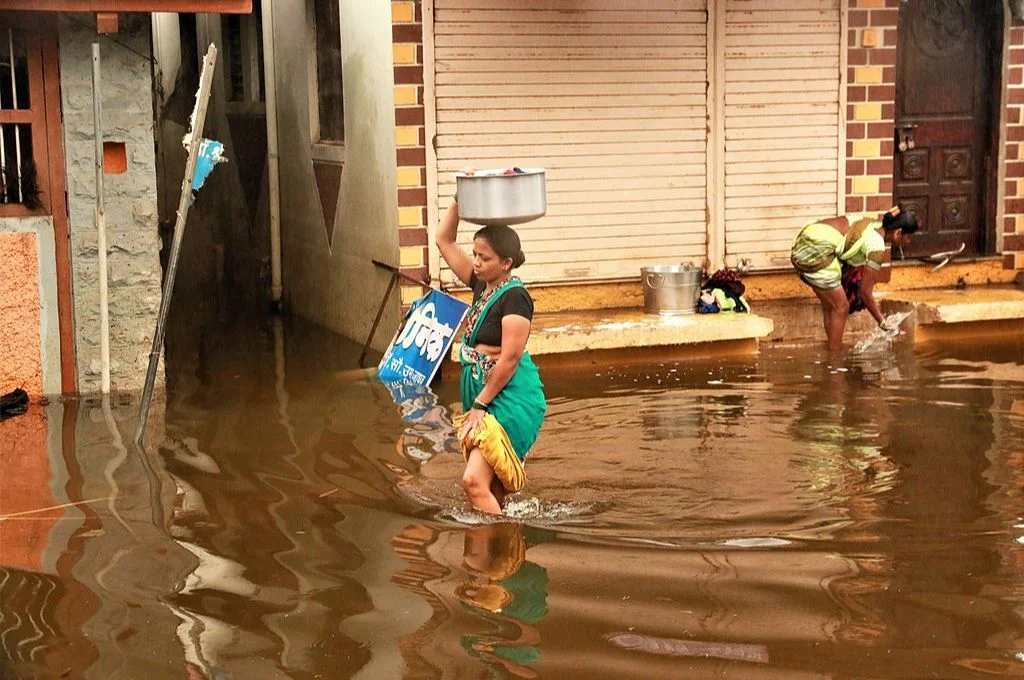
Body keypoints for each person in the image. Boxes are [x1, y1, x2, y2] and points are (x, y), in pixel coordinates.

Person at [435, 194, 547, 515]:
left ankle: (504, 546)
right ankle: (494, 558)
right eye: (475, 255)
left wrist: (480, 404)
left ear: (506, 264)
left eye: (484, 257)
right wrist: (459, 198)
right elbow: (443, 240)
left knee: (473, 482)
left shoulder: (516, 298)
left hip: (508, 396)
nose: (476, 263)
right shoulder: (481, 285)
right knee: (492, 488)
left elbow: (510, 359)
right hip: (486, 392)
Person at [790, 204, 917, 350]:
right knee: (841, 307)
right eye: (908, 237)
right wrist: (882, 322)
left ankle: (833, 349)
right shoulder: (877, 246)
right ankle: (835, 360)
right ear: (898, 233)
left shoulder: (870, 223)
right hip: (817, 251)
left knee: (829, 306)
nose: (909, 242)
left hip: (805, 241)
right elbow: (865, 293)